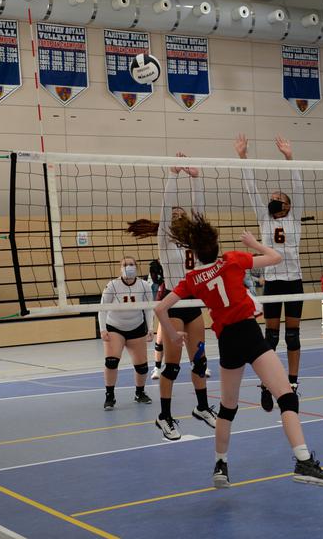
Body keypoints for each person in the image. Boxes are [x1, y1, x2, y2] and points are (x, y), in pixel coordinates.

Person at [154, 212, 323, 487]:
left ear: (194, 251)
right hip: (249, 333)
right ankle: (303, 461)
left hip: (227, 340)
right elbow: (276, 258)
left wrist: (171, 333)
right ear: (216, 245)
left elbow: (159, 307)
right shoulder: (232, 260)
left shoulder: (192, 279)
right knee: (286, 397)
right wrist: (254, 243)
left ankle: (220, 465)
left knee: (228, 409)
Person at [127, 161, 215, 440]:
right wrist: (173, 176)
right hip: (173, 302)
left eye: (181, 214)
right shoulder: (165, 240)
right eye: (174, 215)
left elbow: (199, 213)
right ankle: (164, 416)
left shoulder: (194, 241)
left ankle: (202, 408)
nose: (177, 216)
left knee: (199, 360)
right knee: (173, 365)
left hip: (193, 302)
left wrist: (196, 180)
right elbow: (165, 210)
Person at [235, 133, 305, 412]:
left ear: (287, 205)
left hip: (294, 281)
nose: (273, 200)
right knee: (272, 337)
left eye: (279, 198)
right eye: (272, 198)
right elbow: (251, 189)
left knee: (293, 337)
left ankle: (293, 383)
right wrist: (243, 158)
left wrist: (289, 158)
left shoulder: (295, 218)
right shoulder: (264, 218)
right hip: (273, 283)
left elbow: (298, 188)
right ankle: (266, 384)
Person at [99, 257, 154, 410]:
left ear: (136, 267)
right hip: (115, 327)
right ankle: (109, 396)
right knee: (111, 361)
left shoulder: (144, 286)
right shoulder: (112, 285)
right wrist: (103, 329)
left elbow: (149, 308)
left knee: (142, 367)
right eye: (124, 265)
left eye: (131, 264)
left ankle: (140, 393)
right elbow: (102, 308)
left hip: (136, 327)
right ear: (120, 268)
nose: (128, 267)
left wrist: (150, 328)